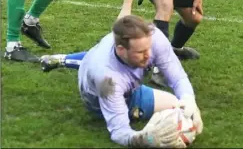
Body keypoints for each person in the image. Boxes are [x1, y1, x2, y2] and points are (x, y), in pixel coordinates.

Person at [40, 15, 204, 147]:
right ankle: (64, 60)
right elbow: (119, 131)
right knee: (170, 104)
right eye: (140, 52)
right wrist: (145, 139)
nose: (148, 55)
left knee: (179, 104)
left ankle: (62, 58)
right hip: (97, 96)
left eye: (148, 48)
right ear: (121, 49)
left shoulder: (154, 37)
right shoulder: (107, 80)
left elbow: (178, 77)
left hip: (103, 61)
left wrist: (189, 100)